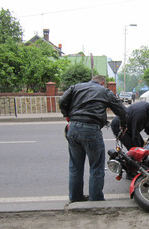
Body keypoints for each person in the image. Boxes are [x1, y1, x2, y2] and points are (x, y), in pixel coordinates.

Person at [59, 75, 128, 203]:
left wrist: (68, 115)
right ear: (102, 83)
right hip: (91, 129)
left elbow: (62, 100)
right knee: (96, 167)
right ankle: (95, 200)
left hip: (73, 128)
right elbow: (121, 110)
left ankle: (75, 197)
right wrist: (123, 124)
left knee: (75, 166)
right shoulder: (105, 91)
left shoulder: (76, 87)